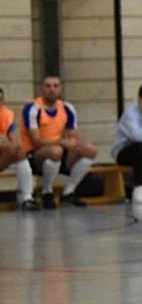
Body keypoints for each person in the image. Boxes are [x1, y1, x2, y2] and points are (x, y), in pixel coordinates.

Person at [21, 75, 97, 209]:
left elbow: (73, 136)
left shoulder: (67, 108)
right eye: (48, 86)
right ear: (41, 89)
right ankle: (47, 192)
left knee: (90, 150)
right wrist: (62, 142)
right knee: (56, 151)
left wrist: (74, 144)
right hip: (34, 154)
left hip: (59, 150)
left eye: (55, 86)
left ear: (61, 88)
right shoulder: (33, 108)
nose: (52, 89)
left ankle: (69, 192)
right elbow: (36, 140)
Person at [0, 86, 37, 210]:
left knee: (19, 152)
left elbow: (16, 141)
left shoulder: (6, 115)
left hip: (3, 156)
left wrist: (6, 143)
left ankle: (26, 198)